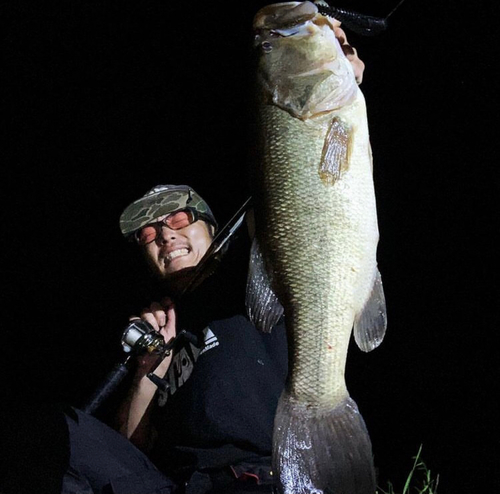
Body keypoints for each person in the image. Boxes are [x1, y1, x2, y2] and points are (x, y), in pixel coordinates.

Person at [1, 22, 365, 494]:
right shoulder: (162, 330)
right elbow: (132, 448)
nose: (163, 237)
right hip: (176, 485)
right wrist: (148, 368)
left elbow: (308, 191)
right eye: (149, 233)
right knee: (50, 432)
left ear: (210, 229)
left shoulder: (254, 275)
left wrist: (332, 75)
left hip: (262, 477)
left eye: (177, 220)